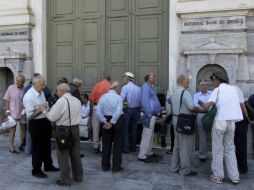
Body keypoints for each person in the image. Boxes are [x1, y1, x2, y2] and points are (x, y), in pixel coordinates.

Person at [199, 71, 242, 184]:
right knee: (230, 149)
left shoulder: (217, 90)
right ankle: (235, 176)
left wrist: (201, 103)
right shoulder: (234, 89)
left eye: (213, 79)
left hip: (220, 122)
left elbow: (207, 106)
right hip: (232, 122)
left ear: (218, 79)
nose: (212, 82)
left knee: (218, 149)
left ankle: (217, 176)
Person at [40, 83, 83, 186]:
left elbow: (52, 117)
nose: (56, 93)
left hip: (63, 130)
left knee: (63, 155)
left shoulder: (61, 101)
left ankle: (65, 179)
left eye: (57, 91)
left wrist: (44, 111)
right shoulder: (77, 100)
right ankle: (78, 176)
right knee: (75, 153)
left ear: (62, 91)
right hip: (75, 129)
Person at [23, 75, 59, 178]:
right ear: (35, 84)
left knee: (46, 145)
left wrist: (46, 109)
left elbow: (44, 106)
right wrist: (40, 109)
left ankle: (48, 165)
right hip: (35, 124)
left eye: (44, 83)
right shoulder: (28, 96)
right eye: (42, 84)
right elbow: (29, 116)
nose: (44, 86)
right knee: (37, 147)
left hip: (44, 121)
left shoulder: (41, 92)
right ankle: (36, 170)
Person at [170, 74, 199, 176]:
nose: (189, 83)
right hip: (184, 121)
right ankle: (185, 170)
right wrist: (201, 109)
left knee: (177, 145)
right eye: (187, 81)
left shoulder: (174, 93)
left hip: (175, 119)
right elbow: (191, 107)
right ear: (182, 81)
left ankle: (174, 167)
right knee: (185, 147)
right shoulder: (185, 93)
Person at [96, 81, 124, 172]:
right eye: (120, 88)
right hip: (117, 121)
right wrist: (112, 122)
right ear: (116, 88)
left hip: (105, 121)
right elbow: (118, 111)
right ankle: (116, 167)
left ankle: (105, 166)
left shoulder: (102, 97)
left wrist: (105, 121)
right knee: (118, 145)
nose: (121, 90)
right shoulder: (119, 98)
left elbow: (98, 111)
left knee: (106, 144)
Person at [138, 72, 161, 163]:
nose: (155, 78)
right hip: (148, 115)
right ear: (149, 79)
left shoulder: (151, 87)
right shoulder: (146, 88)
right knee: (146, 135)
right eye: (154, 77)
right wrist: (149, 115)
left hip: (151, 115)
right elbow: (144, 101)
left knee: (150, 135)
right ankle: (142, 155)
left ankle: (148, 152)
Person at [4, 74, 26, 153]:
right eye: (17, 80)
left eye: (20, 81)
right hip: (12, 112)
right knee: (12, 129)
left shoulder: (25, 89)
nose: (18, 82)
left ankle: (20, 145)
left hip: (23, 113)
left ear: (23, 82)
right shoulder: (11, 88)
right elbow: (7, 99)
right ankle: (11, 146)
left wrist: (25, 110)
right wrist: (7, 110)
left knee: (23, 130)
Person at [89, 73, 111, 153]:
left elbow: (92, 98)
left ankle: (96, 146)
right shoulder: (111, 86)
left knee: (96, 127)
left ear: (103, 78)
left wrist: (91, 111)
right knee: (105, 128)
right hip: (107, 109)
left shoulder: (98, 85)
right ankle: (103, 147)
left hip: (97, 107)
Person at [120, 72, 141, 153]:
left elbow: (121, 99)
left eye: (124, 77)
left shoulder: (125, 88)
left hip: (127, 110)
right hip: (136, 110)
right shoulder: (138, 88)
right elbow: (140, 101)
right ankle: (133, 147)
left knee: (125, 129)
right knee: (134, 129)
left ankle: (126, 148)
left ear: (128, 79)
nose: (123, 79)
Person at [193, 79, 212, 162]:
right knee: (202, 136)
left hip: (211, 116)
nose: (204, 86)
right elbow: (196, 107)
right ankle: (202, 155)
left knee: (213, 136)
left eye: (205, 84)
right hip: (201, 116)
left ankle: (215, 154)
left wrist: (204, 107)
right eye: (202, 85)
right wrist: (206, 108)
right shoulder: (196, 95)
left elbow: (214, 105)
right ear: (198, 86)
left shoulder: (212, 93)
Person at [234, 86, 249, 174]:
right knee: (238, 145)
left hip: (240, 121)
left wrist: (247, 117)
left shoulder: (235, 89)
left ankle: (242, 167)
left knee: (240, 146)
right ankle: (240, 166)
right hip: (239, 121)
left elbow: (242, 105)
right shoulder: (236, 89)